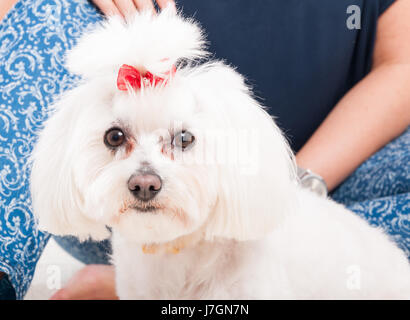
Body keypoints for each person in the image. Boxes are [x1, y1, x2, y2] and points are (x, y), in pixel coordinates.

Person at [0, 0, 409, 300]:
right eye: (115, 139)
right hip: (117, 220)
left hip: (327, 191)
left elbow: (403, 63)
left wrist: (299, 182)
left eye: (180, 141)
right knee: (42, 10)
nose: (145, 178)